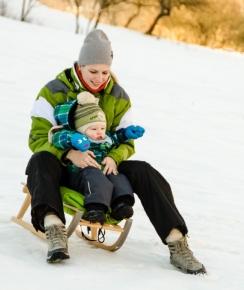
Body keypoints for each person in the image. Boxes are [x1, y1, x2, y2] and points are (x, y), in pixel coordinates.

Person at [26, 28, 206, 274]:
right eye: (93, 72)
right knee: (40, 159)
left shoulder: (118, 96)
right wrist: (69, 154)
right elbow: (37, 138)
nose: (99, 78)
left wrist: (114, 156)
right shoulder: (53, 90)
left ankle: (177, 242)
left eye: (105, 72)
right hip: (67, 168)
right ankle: (54, 228)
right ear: (80, 65)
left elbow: (127, 141)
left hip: (105, 169)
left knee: (144, 170)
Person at [50, 91, 145, 224]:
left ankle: (121, 204)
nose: (99, 132)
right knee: (95, 176)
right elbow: (56, 138)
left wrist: (127, 134)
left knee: (117, 176)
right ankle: (95, 208)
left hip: (102, 172)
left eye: (102, 127)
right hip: (81, 175)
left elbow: (116, 138)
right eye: (94, 129)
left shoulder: (105, 138)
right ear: (81, 129)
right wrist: (73, 138)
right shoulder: (75, 136)